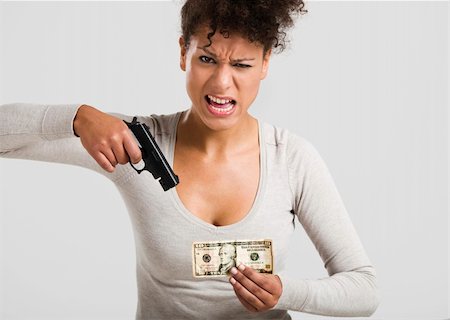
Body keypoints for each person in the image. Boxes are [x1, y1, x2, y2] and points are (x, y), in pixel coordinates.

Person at [0, 0, 380, 319]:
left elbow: (364, 288)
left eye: (242, 65)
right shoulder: (136, 145)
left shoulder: (291, 159)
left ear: (265, 64)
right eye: (207, 59)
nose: (221, 83)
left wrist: (287, 292)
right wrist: (77, 117)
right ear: (183, 52)